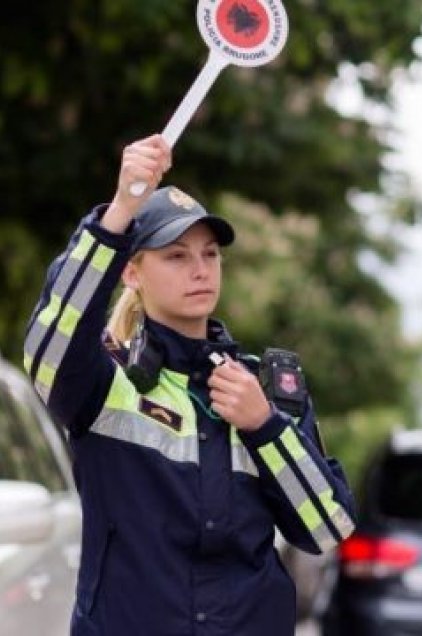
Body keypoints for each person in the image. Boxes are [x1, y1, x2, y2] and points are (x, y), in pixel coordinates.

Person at [23, 134, 357, 636]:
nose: (200, 270)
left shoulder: (265, 391)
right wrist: (118, 213)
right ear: (132, 272)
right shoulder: (103, 380)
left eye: (210, 255)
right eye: (176, 256)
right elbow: (49, 342)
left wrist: (264, 426)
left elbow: (326, 529)